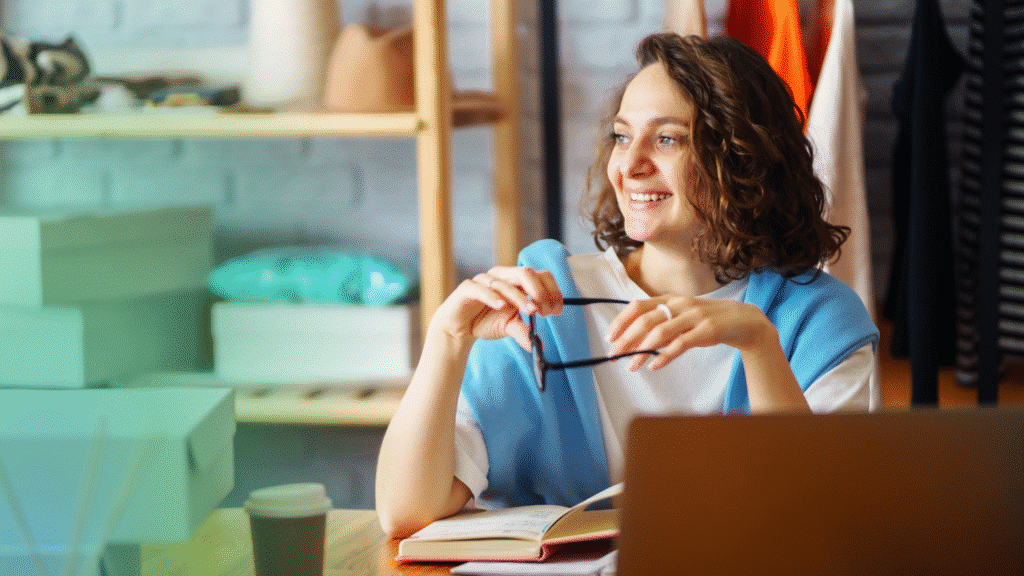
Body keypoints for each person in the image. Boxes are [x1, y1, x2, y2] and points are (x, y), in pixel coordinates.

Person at [375, 32, 879, 538]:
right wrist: (445, 341)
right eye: (622, 136)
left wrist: (759, 343)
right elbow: (405, 511)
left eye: (667, 139)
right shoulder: (547, 305)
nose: (630, 165)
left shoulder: (821, 321)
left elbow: (824, 525)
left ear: (743, 159)